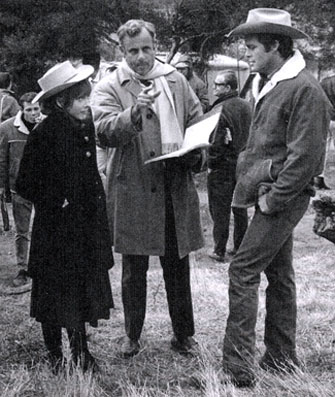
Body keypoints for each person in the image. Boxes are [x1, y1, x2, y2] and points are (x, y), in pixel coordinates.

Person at [221, 8, 331, 387]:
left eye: (252, 47)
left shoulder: (304, 90)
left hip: (282, 197)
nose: (247, 53)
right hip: (271, 192)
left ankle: (237, 367)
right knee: (279, 275)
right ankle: (281, 359)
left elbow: (306, 158)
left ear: (276, 46)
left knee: (243, 270)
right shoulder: (273, 81)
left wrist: (273, 200)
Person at [91, 19, 203, 358]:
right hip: (134, 189)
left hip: (173, 188)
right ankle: (132, 335)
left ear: (155, 46)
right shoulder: (110, 85)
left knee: (177, 268)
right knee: (134, 270)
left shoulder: (176, 79)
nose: (141, 57)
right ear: (122, 52)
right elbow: (102, 130)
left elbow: (196, 116)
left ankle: (184, 335)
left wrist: (197, 144)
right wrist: (133, 113)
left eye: (146, 49)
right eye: (133, 51)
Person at [15, 61, 114, 372]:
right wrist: (59, 201)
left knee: (80, 293)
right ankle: (56, 356)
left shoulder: (83, 125)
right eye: (82, 98)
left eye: (88, 97)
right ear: (61, 102)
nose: (88, 103)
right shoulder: (44, 133)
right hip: (56, 233)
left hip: (84, 228)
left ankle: (82, 353)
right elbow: (25, 184)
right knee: (51, 297)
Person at [207, 71, 251, 263]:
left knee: (220, 209)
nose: (214, 87)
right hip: (243, 163)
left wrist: (211, 162)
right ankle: (240, 246)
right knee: (240, 207)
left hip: (223, 165)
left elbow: (217, 141)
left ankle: (219, 249)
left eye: (217, 84)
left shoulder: (220, 108)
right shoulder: (247, 106)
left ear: (227, 88)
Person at [0, 92, 42, 287]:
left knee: (45, 228)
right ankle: (22, 268)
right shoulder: (7, 129)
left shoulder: (47, 125)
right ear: (22, 110)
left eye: (36, 109)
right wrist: (3, 186)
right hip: (20, 188)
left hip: (44, 187)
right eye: (29, 110)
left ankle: (44, 266)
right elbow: (2, 160)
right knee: (22, 231)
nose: (33, 113)